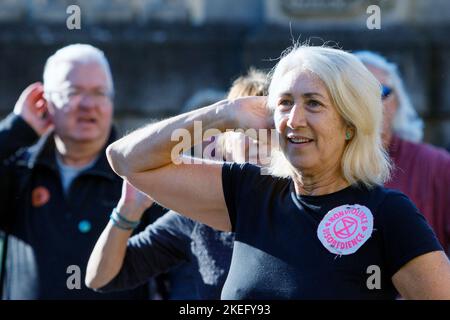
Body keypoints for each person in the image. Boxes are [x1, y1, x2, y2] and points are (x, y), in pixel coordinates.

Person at [106, 45, 450, 299]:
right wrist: (223, 114)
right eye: (284, 102)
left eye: (313, 103)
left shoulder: (387, 213)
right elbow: (126, 159)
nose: (293, 119)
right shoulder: (251, 193)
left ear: (350, 125)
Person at [85, 69, 270, 299]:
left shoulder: (308, 204)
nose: (261, 138)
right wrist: (128, 210)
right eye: (246, 127)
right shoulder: (197, 215)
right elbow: (102, 277)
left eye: (270, 128)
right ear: (223, 143)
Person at [0, 44, 159, 299]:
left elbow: (178, 266)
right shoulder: (20, 171)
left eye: (99, 93)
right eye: (73, 92)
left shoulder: (138, 177)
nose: (88, 104)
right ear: (44, 101)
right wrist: (16, 128)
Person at [355, 51, 450, 254]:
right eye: (357, 94)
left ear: (397, 103)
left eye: (382, 92)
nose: (371, 103)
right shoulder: (319, 165)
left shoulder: (437, 166)